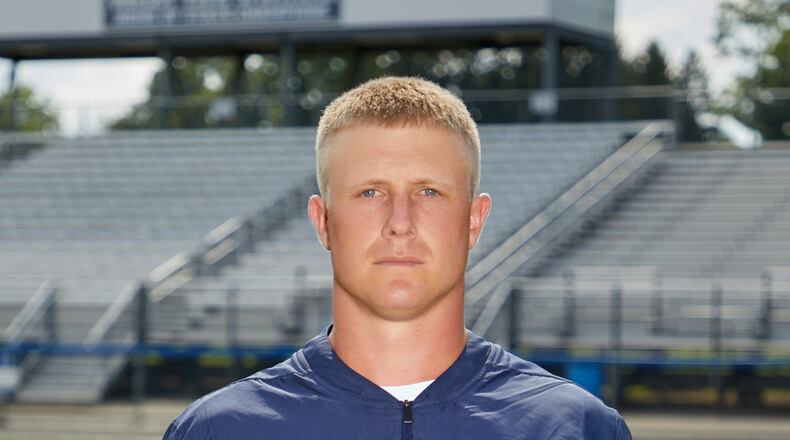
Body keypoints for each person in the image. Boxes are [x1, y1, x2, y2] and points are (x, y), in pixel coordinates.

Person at [163, 76, 632, 439]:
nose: (400, 221)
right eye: (370, 192)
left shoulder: (573, 426)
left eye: (429, 192)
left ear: (474, 220)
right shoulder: (220, 429)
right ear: (323, 221)